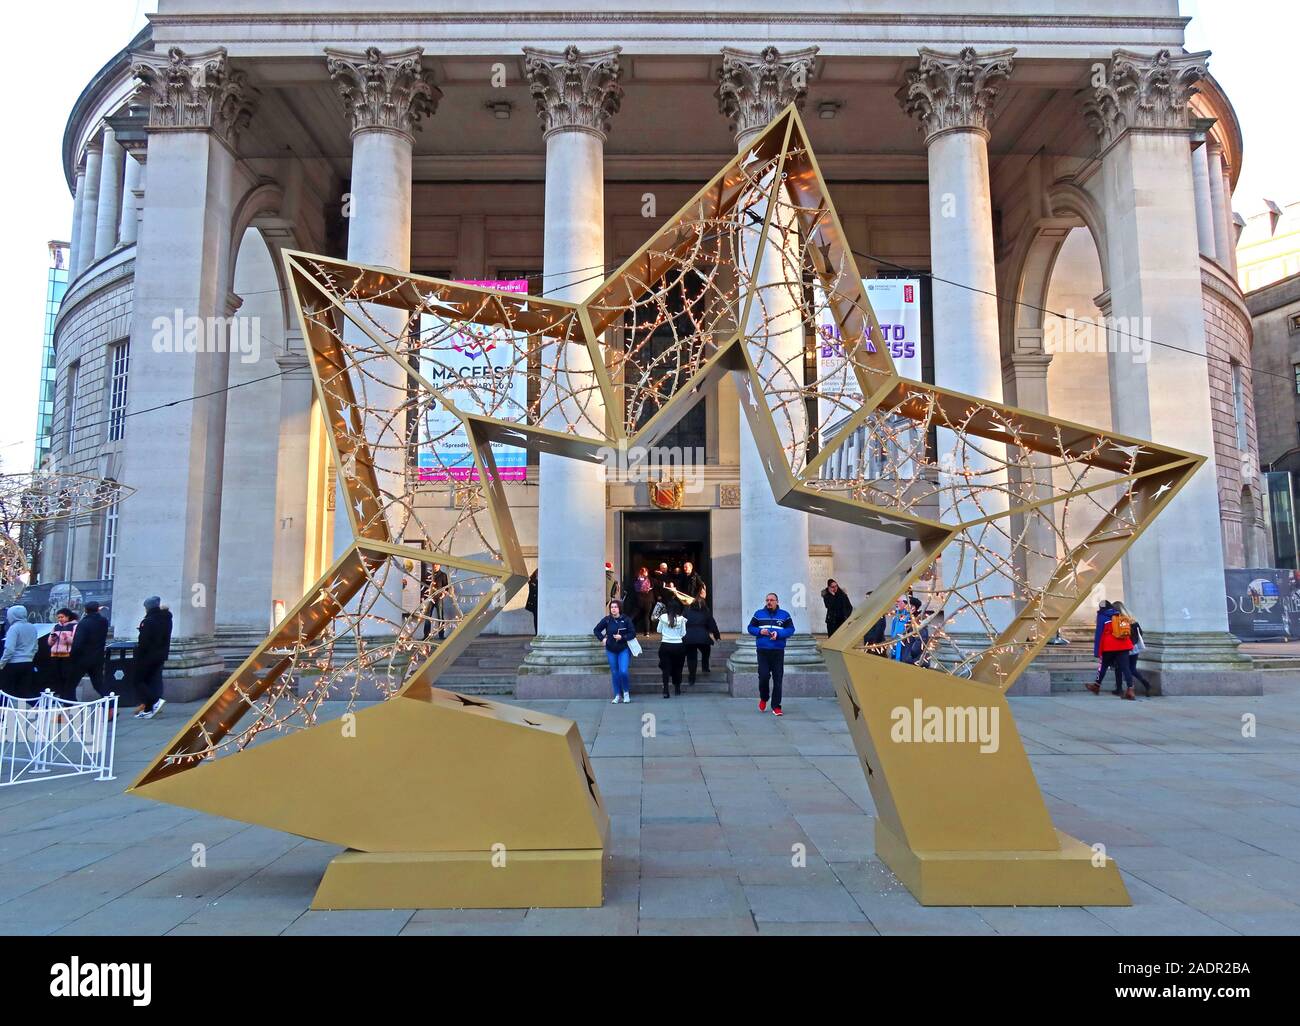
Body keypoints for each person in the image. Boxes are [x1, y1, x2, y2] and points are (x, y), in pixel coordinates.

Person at [747, 592, 795, 716]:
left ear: (777, 602)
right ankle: (764, 697)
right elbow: (750, 627)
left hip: (778, 651)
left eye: (772, 600)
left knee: (778, 679)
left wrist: (779, 634)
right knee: (763, 676)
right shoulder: (759, 614)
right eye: (767, 600)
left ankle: (776, 706)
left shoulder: (785, 615)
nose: (769, 602)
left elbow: (791, 630)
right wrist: (759, 631)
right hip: (763, 651)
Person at [1087, 599, 1136, 700]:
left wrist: (1097, 651)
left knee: (1103, 666)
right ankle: (1130, 690)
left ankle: (1096, 686)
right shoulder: (1119, 614)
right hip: (1123, 645)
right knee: (1125, 668)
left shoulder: (1101, 616)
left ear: (1101, 608)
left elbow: (1099, 634)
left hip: (1109, 646)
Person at [134, 596, 173, 719]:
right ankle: (150, 707)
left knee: (138, 680)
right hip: (161, 654)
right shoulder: (166, 618)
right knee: (154, 679)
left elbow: (144, 641)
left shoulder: (149, 620)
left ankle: (153, 701)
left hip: (148, 655)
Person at [593, 599, 636, 704]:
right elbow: (596, 630)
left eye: (615, 607)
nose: (613, 609)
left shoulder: (626, 619)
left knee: (623, 671)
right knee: (615, 672)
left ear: (619, 608)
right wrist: (602, 639)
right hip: (611, 649)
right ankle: (617, 695)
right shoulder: (607, 620)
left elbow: (633, 633)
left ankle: (626, 693)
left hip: (623, 649)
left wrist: (622, 637)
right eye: (612, 607)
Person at [70, 600, 110, 706]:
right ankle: (110, 706)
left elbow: (78, 642)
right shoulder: (104, 621)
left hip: (82, 658)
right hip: (97, 657)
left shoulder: (84, 623)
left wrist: (72, 655)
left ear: (85, 610)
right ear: (97, 609)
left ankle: (69, 708)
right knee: (98, 684)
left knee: (70, 684)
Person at [0, 605, 39, 700]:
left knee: (7, 691)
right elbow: (35, 647)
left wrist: (1, 663)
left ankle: (6, 713)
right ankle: (22, 711)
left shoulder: (14, 628)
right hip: (28, 663)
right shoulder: (32, 627)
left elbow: (9, 649)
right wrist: (29, 657)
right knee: (24, 691)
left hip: (13, 664)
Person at [682, 594, 721, 685]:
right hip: (703, 637)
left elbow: (681, 624)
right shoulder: (706, 612)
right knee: (706, 650)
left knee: (691, 658)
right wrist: (716, 636)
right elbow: (713, 625)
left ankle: (692, 677)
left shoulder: (687, 611)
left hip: (689, 637)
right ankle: (705, 667)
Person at [43, 608, 80, 701]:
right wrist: (53, 638)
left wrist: (66, 637)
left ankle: (68, 698)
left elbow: (76, 641)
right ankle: (61, 695)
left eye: (62, 617)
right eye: (58, 617)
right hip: (55, 655)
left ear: (68, 616)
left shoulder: (74, 626)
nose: (60, 619)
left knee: (66, 677)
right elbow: (49, 643)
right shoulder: (56, 626)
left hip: (67, 655)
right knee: (56, 677)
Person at [656, 598, 688, 698]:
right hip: (678, 646)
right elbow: (683, 633)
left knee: (665, 669)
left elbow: (658, 630)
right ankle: (677, 687)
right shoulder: (681, 619)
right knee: (678, 668)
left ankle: (666, 690)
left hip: (665, 645)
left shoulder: (663, 617)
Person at [898, 597, 930, 666]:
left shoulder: (917, 622)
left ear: (913, 607)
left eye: (907, 605)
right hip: (908, 659)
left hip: (913, 661)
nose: (905, 607)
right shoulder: (908, 619)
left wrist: (911, 655)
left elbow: (921, 639)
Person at [629, 567, 655, 633]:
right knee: (646, 616)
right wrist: (668, 585)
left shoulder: (636, 579)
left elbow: (631, 588)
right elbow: (659, 583)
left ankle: (627, 628)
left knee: (633, 615)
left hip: (639, 600)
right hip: (648, 601)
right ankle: (647, 632)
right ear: (647, 573)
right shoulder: (650, 579)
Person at [863, 591, 888, 656]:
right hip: (868, 642)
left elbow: (880, 628)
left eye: (868, 598)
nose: (867, 601)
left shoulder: (879, 611)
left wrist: (874, 643)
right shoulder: (868, 611)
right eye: (866, 598)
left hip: (875, 643)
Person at [887, 597, 913, 661]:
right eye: (895, 601)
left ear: (905, 603)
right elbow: (893, 629)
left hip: (903, 643)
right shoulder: (896, 615)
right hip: (894, 641)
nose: (896, 603)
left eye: (898, 602)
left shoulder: (909, 615)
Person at [524, 569, 538, 634]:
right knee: (536, 618)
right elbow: (533, 591)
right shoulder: (532, 582)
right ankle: (537, 632)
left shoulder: (535, 581)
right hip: (535, 603)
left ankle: (538, 632)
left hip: (537, 603)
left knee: (537, 618)